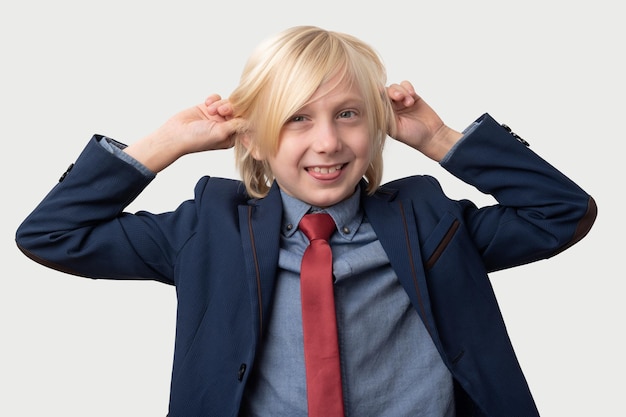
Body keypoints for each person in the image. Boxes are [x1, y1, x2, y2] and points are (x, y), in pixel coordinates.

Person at [15, 25, 597, 416]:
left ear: (376, 129)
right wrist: (165, 143)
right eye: (296, 118)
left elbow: (561, 212)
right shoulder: (206, 231)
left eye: (348, 115)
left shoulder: (430, 224)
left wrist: (441, 139)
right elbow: (51, 234)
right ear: (255, 137)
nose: (327, 141)